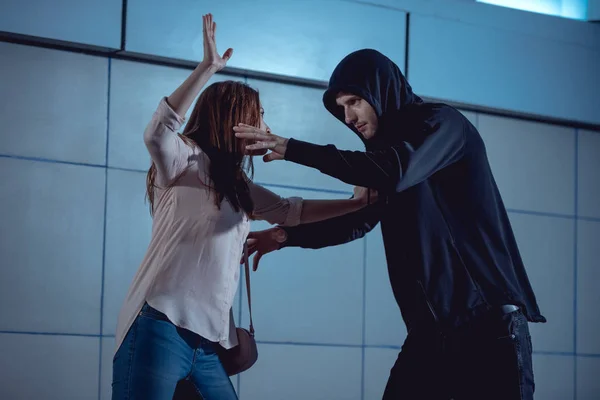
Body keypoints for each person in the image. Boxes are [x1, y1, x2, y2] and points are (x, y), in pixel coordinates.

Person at [233, 48, 546, 400]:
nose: (348, 117)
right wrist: (283, 235)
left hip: (487, 326)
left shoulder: (442, 125)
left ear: (381, 90)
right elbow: (359, 220)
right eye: (342, 108)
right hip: (430, 332)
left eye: (355, 102)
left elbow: (395, 172)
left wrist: (291, 147)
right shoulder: (385, 158)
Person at [111, 15, 375, 400]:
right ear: (234, 120)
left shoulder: (239, 186)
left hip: (209, 342)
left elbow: (290, 211)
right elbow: (157, 132)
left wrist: (358, 203)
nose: (266, 126)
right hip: (159, 325)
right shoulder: (184, 161)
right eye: (260, 116)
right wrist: (207, 69)